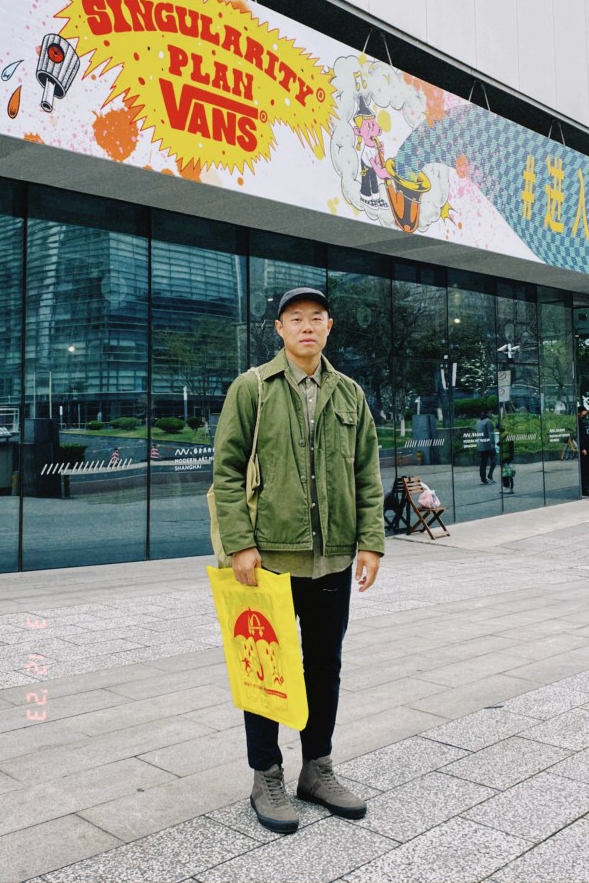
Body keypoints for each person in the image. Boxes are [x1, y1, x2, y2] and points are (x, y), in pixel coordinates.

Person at [212, 286, 385, 835]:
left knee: (324, 666)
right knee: (265, 667)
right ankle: (266, 775)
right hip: (268, 560)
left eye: (316, 318)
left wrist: (371, 541)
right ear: (280, 329)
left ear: (329, 327)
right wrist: (240, 544)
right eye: (295, 319)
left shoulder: (349, 393)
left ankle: (318, 769)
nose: (306, 327)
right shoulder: (253, 388)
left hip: (332, 559)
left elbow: (366, 473)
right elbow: (226, 471)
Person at [577, 405, 589, 496]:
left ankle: (584, 489)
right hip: (582, 449)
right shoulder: (577, 421)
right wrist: (583, 448)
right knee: (582, 470)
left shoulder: (580, 421)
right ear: (579, 413)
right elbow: (580, 436)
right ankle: (583, 490)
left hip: (585, 448)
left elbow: (584, 436)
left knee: (585, 470)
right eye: (583, 414)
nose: (584, 415)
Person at [476, 409, 497, 484]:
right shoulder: (488, 421)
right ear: (487, 414)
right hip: (488, 445)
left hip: (480, 445)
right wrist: (493, 444)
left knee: (483, 462)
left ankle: (483, 479)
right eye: (490, 413)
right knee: (494, 461)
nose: (492, 414)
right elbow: (491, 434)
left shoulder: (478, 421)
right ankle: (489, 476)